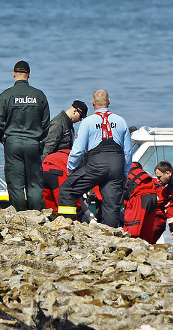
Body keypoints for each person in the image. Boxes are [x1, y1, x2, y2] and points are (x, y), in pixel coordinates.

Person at [57, 89, 133, 228]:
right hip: (117, 165)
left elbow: (78, 150)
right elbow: (127, 151)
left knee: (67, 189)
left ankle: (66, 226)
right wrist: (126, 171)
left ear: (93, 103)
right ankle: (110, 236)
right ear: (109, 102)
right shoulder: (121, 121)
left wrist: (70, 168)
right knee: (111, 205)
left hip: (97, 164)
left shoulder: (88, 122)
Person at [0, 60, 49, 211]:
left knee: (15, 182)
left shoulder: (6, 95)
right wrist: (38, 138)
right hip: (33, 142)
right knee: (34, 182)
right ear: (29, 75)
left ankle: (19, 214)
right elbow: (46, 124)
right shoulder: (39, 95)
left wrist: (5, 139)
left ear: (13, 74)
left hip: (13, 142)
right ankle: (36, 214)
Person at [122, 162, 165, 243]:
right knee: (146, 234)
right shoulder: (127, 166)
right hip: (152, 197)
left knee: (132, 232)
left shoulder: (113, 168)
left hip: (139, 196)